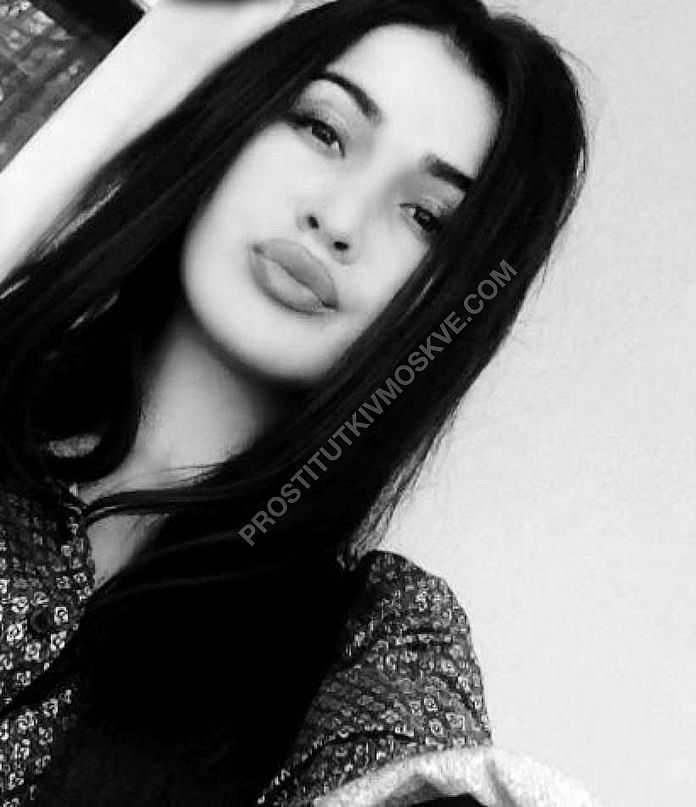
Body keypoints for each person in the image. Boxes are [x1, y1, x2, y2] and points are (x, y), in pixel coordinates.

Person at [0, 0, 592, 804]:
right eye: (323, 130)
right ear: (237, 119)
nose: (337, 219)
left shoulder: (372, 637)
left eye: (425, 216)